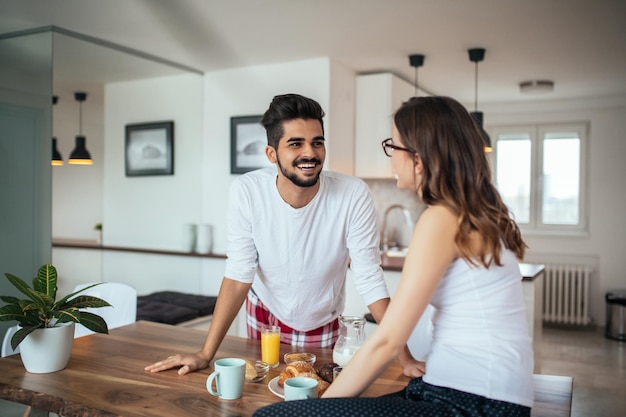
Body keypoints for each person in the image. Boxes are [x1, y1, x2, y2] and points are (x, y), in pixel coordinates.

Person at [253, 96, 534, 417]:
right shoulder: (475, 213)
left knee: (273, 415)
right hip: (468, 390)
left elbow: (387, 341)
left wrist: (320, 408)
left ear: (419, 157)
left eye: (394, 147)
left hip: (475, 399)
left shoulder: (442, 218)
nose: (391, 160)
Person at [146, 93, 415, 376]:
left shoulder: (353, 193)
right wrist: (204, 353)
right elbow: (239, 274)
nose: (310, 153)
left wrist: (406, 358)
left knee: (315, 394)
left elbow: (369, 276)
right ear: (272, 154)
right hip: (265, 317)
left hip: (322, 319)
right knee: (259, 391)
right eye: (295, 144)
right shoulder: (247, 191)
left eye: (317, 142)